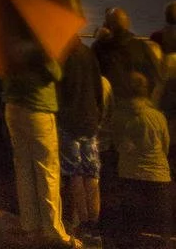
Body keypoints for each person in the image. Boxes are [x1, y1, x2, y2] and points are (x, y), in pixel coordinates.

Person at [2, 43, 73, 247]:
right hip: (38, 108)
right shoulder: (39, 42)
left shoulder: (8, 40)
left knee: (23, 168)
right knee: (47, 170)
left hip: (13, 107)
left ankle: (31, 227)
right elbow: (55, 73)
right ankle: (53, 230)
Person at [108, 72, 171, 249]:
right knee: (161, 231)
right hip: (157, 176)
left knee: (131, 230)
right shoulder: (157, 117)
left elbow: (118, 145)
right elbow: (165, 147)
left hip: (129, 174)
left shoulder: (119, 116)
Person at [57, 33, 107, 237]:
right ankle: (95, 221)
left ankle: (83, 221)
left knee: (75, 173)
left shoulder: (63, 57)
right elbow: (98, 88)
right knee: (92, 173)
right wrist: (98, 114)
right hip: (90, 121)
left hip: (70, 124)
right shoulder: (88, 53)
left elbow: (60, 93)